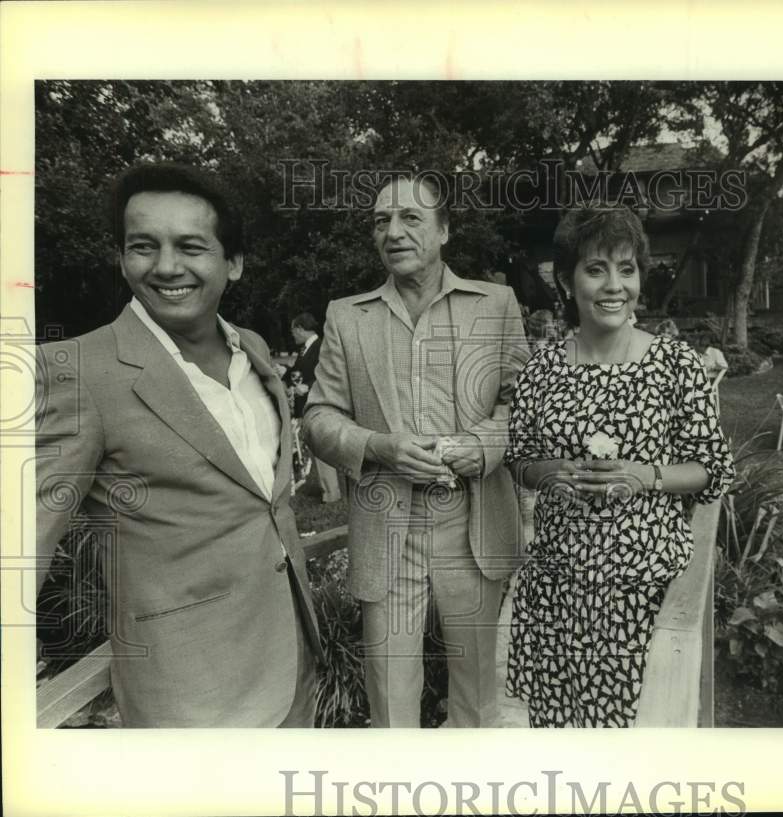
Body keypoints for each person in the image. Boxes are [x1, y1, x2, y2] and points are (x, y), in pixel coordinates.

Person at [34, 162, 322, 727]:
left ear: (232, 263)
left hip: (294, 662)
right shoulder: (75, 371)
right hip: (189, 697)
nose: (166, 266)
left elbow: (263, 504)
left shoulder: (255, 350)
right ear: (122, 257)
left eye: (190, 246)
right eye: (143, 246)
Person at [303, 173, 528, 728]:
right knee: (389, 691)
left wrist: (482, 446)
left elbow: (523, 405)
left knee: (477, 693)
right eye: (382, 221)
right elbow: (318, 417)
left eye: (410, 218)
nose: (394, 232)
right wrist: (378, 446)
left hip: (470, 521)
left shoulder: (495, 304)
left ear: (444, 229)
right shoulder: (346, 315)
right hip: (387, 526)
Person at [503, 206, 735, 727]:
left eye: (626, 269)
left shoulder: (674, 364)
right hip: (557, 592)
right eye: (596, 269)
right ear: (566, 280)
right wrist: (549, 471)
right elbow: (518, 459)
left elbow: (713, 468)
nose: (614, 286)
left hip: (641, 589)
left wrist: (645, 475)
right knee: (562, 739)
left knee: (631, 741)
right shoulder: (543, 368)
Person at [285, 312, 341, 503]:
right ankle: (326, 490)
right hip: (306, 404)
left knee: (321, 445)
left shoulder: (321, 347)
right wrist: (286, 372)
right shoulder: (306, 349)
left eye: (293, 330)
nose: (292, 335)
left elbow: (329, 374)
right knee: (314, 448)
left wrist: (308, 386)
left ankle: (331, 493)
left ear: (300, 328)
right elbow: (300, 373)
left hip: (319, 403)